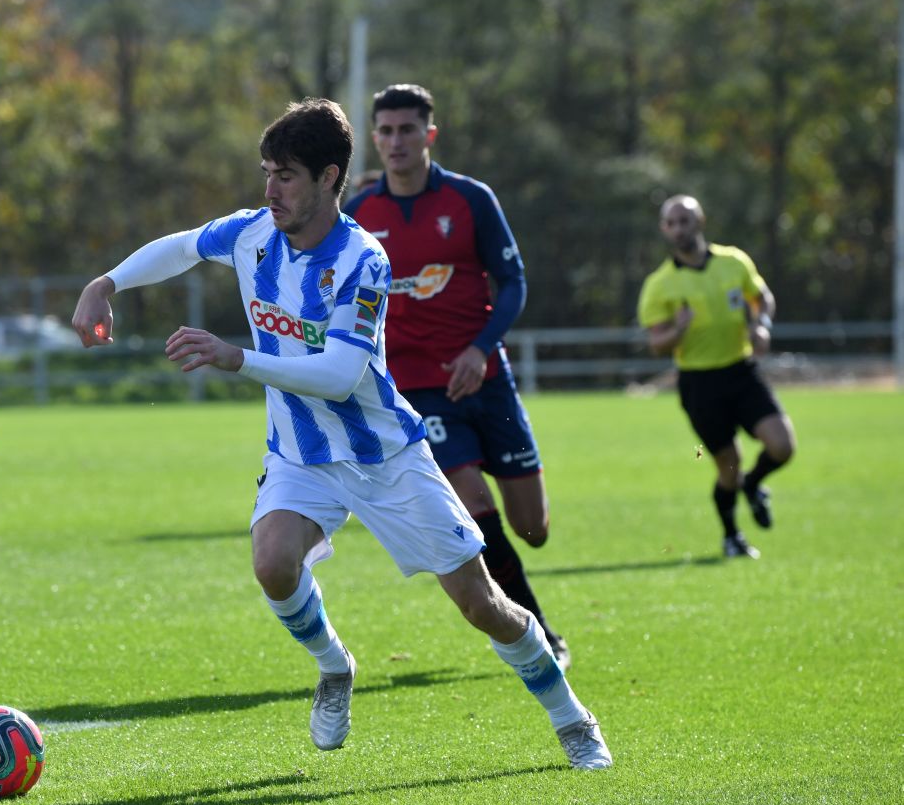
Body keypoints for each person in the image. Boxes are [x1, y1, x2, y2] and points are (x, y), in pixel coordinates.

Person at [71, 98, 611, 769]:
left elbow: (339, 374)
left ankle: (572, 718)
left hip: (386, 455)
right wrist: (107, 282)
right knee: (272, 563)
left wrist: (236, 357)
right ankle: (334, 666)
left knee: (481, 604)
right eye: (266, 174)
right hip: (300, 455)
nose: (270, 191)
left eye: (286, 176)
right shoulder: (252, 235)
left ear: (329, 178)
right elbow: (182, 247)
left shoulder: (363, 259)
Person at [342, 84, 569, 667]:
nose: (396, 141)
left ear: (430, 134)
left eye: (407, 129)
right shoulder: (360, 215)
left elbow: (513, 283)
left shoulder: (470, 199)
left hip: (487, 380)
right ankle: (538, 632)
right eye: (386, 131)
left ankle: (524, 609)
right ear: (374, 138)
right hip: (419, 389)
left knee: (533, 527)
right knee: (472, 501)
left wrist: (480, 348)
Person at [637, 194, 796, 559]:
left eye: (685, 220)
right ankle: (732, 536)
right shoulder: (660, 284)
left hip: (741, 371)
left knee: (782, 446)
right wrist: (678, 330)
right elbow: (656, 344)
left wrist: (761, 324)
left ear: (700, 221)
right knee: (728, 466)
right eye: (672, 223)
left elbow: (762, 297)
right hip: (699, 384)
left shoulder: (733, 262)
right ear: (664, 230)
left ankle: (753, 485)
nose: (679, 229)